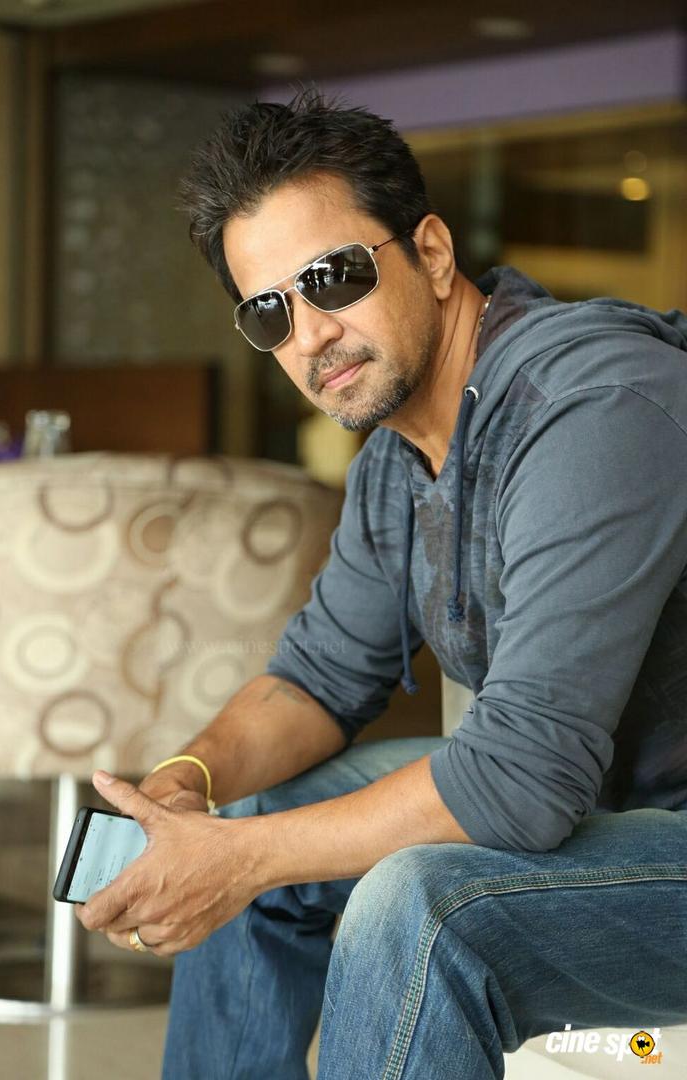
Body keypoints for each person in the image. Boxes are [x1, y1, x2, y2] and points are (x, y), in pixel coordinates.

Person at [75, 89, 687, 1080]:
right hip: (613, 821)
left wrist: (237, 866)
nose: (310, 334)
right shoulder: (399, 460)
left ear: (432, 254)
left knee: (417, 904)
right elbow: (314, 682)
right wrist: (187, 784)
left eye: (333, 277)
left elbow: (522, 779)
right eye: (270, 311)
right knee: (253, 814)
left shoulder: (597, 406)